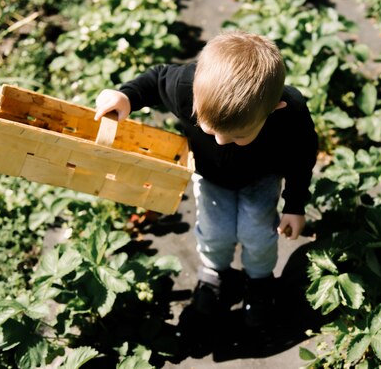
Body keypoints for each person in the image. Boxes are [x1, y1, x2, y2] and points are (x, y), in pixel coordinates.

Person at [94, 30, 318, 328]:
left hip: (261, 179)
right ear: (195, 97)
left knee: (258, 232)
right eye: (210, 130)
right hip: (210, 177)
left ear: (273, 109)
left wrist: (295, 204)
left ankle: (260, 281)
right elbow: (156, 79)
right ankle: (214, 272)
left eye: (239, 135)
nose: (222, 141)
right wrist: (126, 96)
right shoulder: (186, 87)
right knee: (214, 229)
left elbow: (302, 157)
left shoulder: (290, 112)